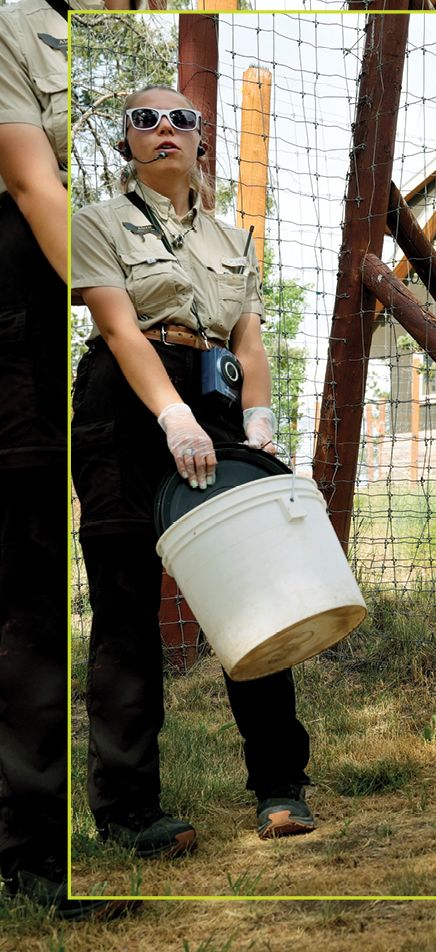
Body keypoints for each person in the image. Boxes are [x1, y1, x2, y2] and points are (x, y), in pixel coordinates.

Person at [70, 84, 315, 866]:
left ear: (201, 141)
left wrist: (258, 419)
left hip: (214, 397)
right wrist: (170, 417)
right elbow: (116, 323)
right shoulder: (95, 223)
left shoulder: (230, 240)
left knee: (251, 593)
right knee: (125, 605)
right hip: (124, 401)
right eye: (145, 119)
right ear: (127, 145)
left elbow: (247, 337)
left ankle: (280, 784)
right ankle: (130, 807)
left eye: (181, 118)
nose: (164, 128)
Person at [0, 0, 154, 918]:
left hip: (80, 352)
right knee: (27, 598)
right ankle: (31, 860)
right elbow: (30, 183)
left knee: (82, 584)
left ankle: (73, 835)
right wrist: (123, 313)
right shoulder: (21, 25)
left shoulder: (136, 56)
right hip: (24, 334)